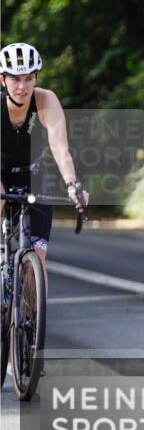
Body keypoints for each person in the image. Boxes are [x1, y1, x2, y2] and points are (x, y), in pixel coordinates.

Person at [0, 42, 88, 279]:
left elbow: (59, 146)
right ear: (3, 80)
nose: (22, 86)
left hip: (34, 173)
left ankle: (33, 313)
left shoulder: (45, 101)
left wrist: (72, 184)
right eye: (15, 79)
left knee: (38, 258)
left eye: (29, 78)